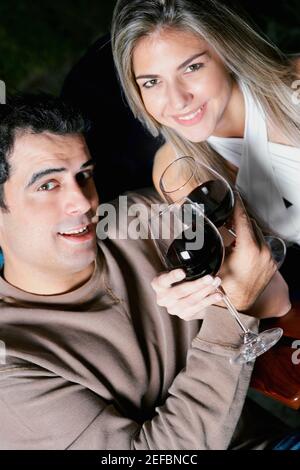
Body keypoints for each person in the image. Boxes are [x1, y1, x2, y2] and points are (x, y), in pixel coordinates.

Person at [0, 94, 291, 449]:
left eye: (84, 175)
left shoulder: (135, 219)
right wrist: (228, 317)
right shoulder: (11, 364)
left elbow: (256, 258)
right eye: (47, 185)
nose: (84, 202)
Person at [111, 0, 300, 302]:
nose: (177, 100)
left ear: (227, 53)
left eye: (193, 67)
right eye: (152, 82)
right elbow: (272, 296)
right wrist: (225, 299)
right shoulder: (177, 169)